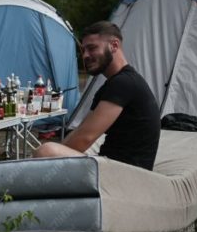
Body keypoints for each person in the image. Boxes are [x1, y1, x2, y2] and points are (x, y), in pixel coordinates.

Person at [34, 21, 160, 170]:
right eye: (83, 50)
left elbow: (83, 140)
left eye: (92, 48)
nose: (86, 55)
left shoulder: (124, 83)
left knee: (46, 151)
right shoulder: (114, 84)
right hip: (115, 164)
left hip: (128, 173)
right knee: (50, 151)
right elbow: (81, 132)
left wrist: (53, 154)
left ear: (114, 46)